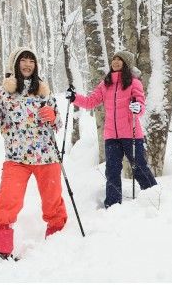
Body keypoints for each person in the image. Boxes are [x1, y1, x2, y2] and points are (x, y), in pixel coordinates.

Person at [0, 47, 67, 261]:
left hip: (47, 157)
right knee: (6, 203)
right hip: (17, 159)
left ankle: (58, 245)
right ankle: (1, 251)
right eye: (23, 60)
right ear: (15, 65)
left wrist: (53, 117)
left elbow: (58, 123)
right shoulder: (3, 94)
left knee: (53, 205)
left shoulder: (43, 92)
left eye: (31, 61)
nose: (27, 64)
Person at [66, 50, 157, 208]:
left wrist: (137, 107)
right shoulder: (105, 84)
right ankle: (113, 204)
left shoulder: (134, 83)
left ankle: (154, 196)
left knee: (139, 168)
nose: (115, 62)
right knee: (112, 171)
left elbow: (141, 106)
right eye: (114, 59)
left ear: (126, 63)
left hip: (131, 134)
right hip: (111, 136)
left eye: (119, 59)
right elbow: (90, 102)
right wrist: (75, 98)